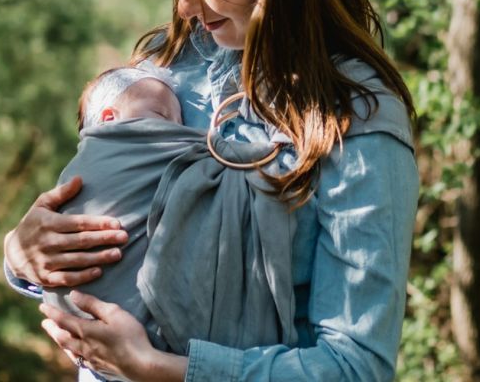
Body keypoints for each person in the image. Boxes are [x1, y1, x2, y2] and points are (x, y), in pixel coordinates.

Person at [3, 0, 420, 381]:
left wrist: (160, 368)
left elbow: (355, 367)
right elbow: (95, 240)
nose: (186, 3)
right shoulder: (164, 73)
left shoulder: (355, 119)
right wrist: (22, 256)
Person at [45, 65, 299, 360]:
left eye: (180, 121)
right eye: (161, 117)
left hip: (125, 345)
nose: (179, 131)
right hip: (99, 328)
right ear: (109, 119)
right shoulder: (96, 160)